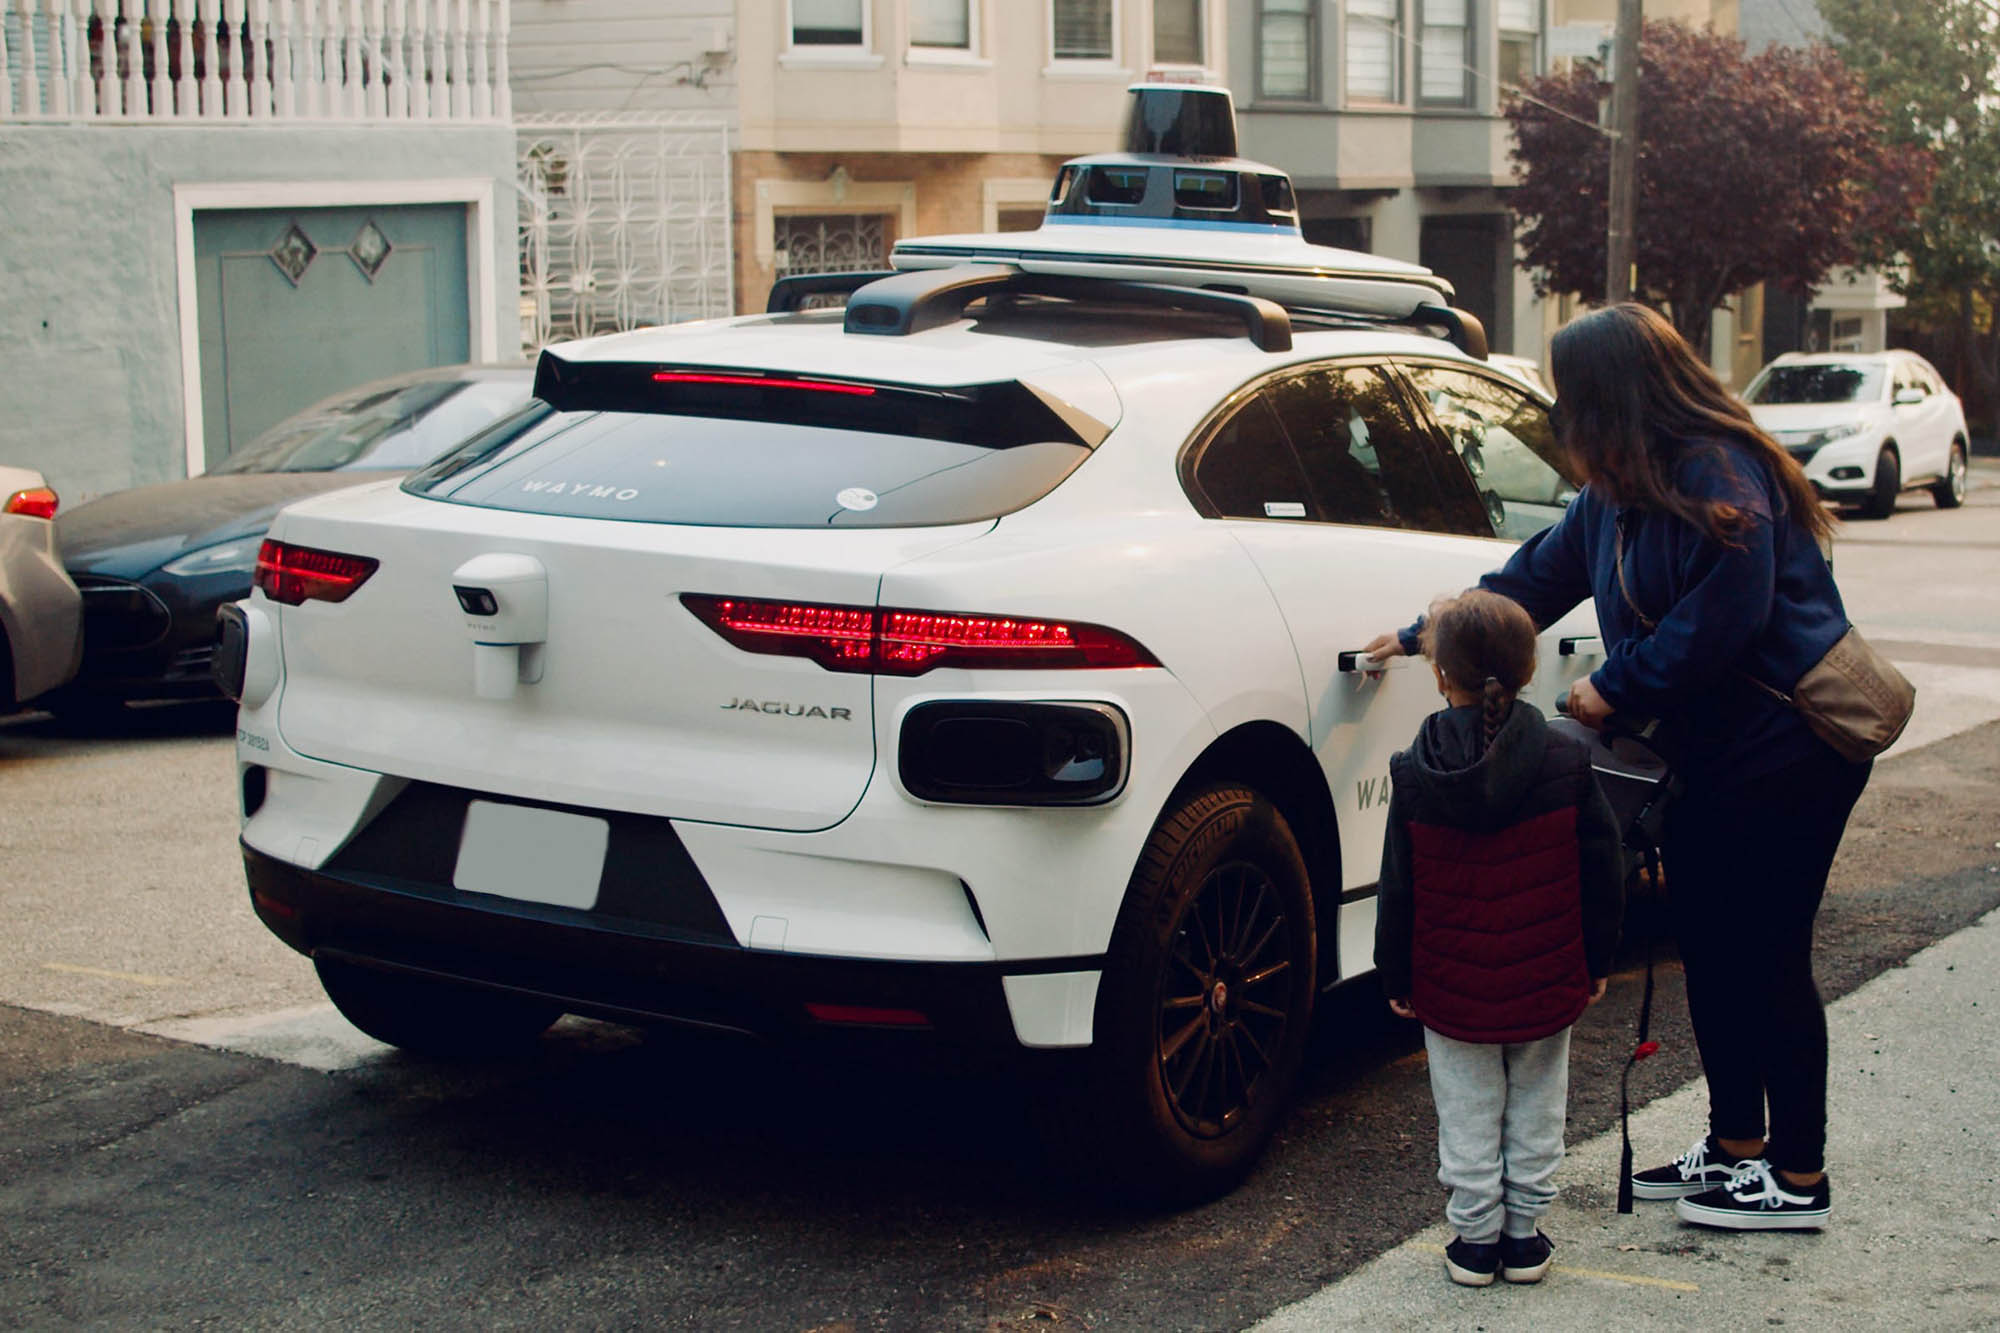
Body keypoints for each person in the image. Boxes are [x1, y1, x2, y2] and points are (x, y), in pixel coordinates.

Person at [1366, 302, 1871, 1232]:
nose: (1561, 419)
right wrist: (1418, 633)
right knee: (1715, 946)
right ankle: (1736, 1147)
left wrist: (1614, 686)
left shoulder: (1720, 473)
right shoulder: (1616, 497)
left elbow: (1730, 614)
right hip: (1719, 751)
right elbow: (1529, 582)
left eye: (1569, 399)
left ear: (1611, 398)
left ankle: (1799, 1176)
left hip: (1792, 748)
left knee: (1766, 953)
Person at [1376, 587, 1625, 1287]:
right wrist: (1594, 958)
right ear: (1526, 669)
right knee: (1538, 1102)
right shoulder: (1565, 761)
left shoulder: (1415, 771)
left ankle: (1475, 1240)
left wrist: (1396, 974)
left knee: (1467, 1108)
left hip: (1450, 982)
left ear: (1439, 674)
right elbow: (1602, 868)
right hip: (1546, 973)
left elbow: (1399, 883)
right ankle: (1523, 1236)